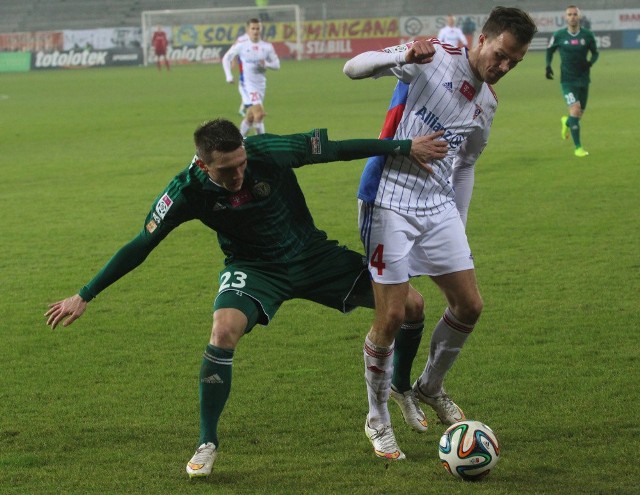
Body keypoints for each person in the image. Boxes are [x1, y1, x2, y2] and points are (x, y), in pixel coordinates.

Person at [44, 119, 447, 476]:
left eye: (240, 163)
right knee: (222, 332)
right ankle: (207, 442)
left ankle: (400, 387)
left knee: (412, 305)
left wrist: (403, 146)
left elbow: (338, 150)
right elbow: (140, 244)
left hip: (312, 255)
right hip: (256, 270)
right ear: (203, 165)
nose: (238, 172)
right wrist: (85, 294)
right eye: (226, 169)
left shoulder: (268, 150)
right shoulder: (186, 192)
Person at [344, 6, 537, 460]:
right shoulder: (434, 56)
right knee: (391, 316)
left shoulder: (487, 102)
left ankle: (429, 386)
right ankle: (377, 416)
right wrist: (402, 55)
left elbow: (466, 164)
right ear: (483, 38)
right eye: (502, 55)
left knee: (469, 304)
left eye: (515, 63)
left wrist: (459, 223)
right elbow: (352, 69)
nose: (504, 67)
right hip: (387, 196)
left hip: (437, 205)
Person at [545, 5, 598, 158]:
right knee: (575, 109)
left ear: (579, 17)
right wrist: (548, 66)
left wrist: (590, 63)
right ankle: (578, 148)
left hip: (584, 79)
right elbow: (550, 50)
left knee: (578, 114)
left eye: (575, 14)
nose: (573, 17)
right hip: (567, 80)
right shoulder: (559, 35)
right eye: (570, 14)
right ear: (565, 17)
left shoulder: (587, 35)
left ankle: (566, 122)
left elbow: (595, 53)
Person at [222, 18, 280, 137]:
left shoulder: (267, 47)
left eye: (258, 28)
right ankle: (263, 143)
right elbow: (226, 58)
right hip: (247, 84)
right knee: (259, 114)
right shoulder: (242, 45)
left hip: (261, 84)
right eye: (253, 28)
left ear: (261, 29)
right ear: (248, 30)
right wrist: (229, 75)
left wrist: (266, 64)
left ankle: (237, 141)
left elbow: (277, 65)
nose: (255, 31)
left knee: (250, 117)